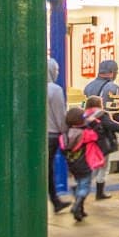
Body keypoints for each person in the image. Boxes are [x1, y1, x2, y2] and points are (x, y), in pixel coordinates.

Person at [84, 60, 119, 200]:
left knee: (94, 162)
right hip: (105, 131)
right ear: (112, 72)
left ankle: (84, 188)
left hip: (91, 131)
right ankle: (98, 191)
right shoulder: (113, 87)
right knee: (104, 164)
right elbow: (117, 113)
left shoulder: (88, 86)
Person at [60, 107, 105, 223]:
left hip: (72, 164)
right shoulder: (85, 134)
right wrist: (93, 122)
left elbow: (62, 148)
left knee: (78, 183)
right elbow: (97, 135)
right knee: (84, 186)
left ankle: (80, 210)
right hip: (85, 164)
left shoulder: (64, 135)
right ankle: (77, 204)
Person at [84, 94, 119, 200]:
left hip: (91, 145)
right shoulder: (100, 114)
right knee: (103, 168)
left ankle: (82, 188)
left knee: (94, 167)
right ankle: (99, 193)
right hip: (103, 145)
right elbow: (112, 126)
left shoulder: (85, 115)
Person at [47, 58, 70, 213]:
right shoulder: (55, 90)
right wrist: (65, 132)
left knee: (46, 169)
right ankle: (56, 200)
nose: (57, 73)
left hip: (41, 136)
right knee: (50, 169)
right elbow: (60, 116)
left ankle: (55, 200)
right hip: (53, 135)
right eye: (56, 70)